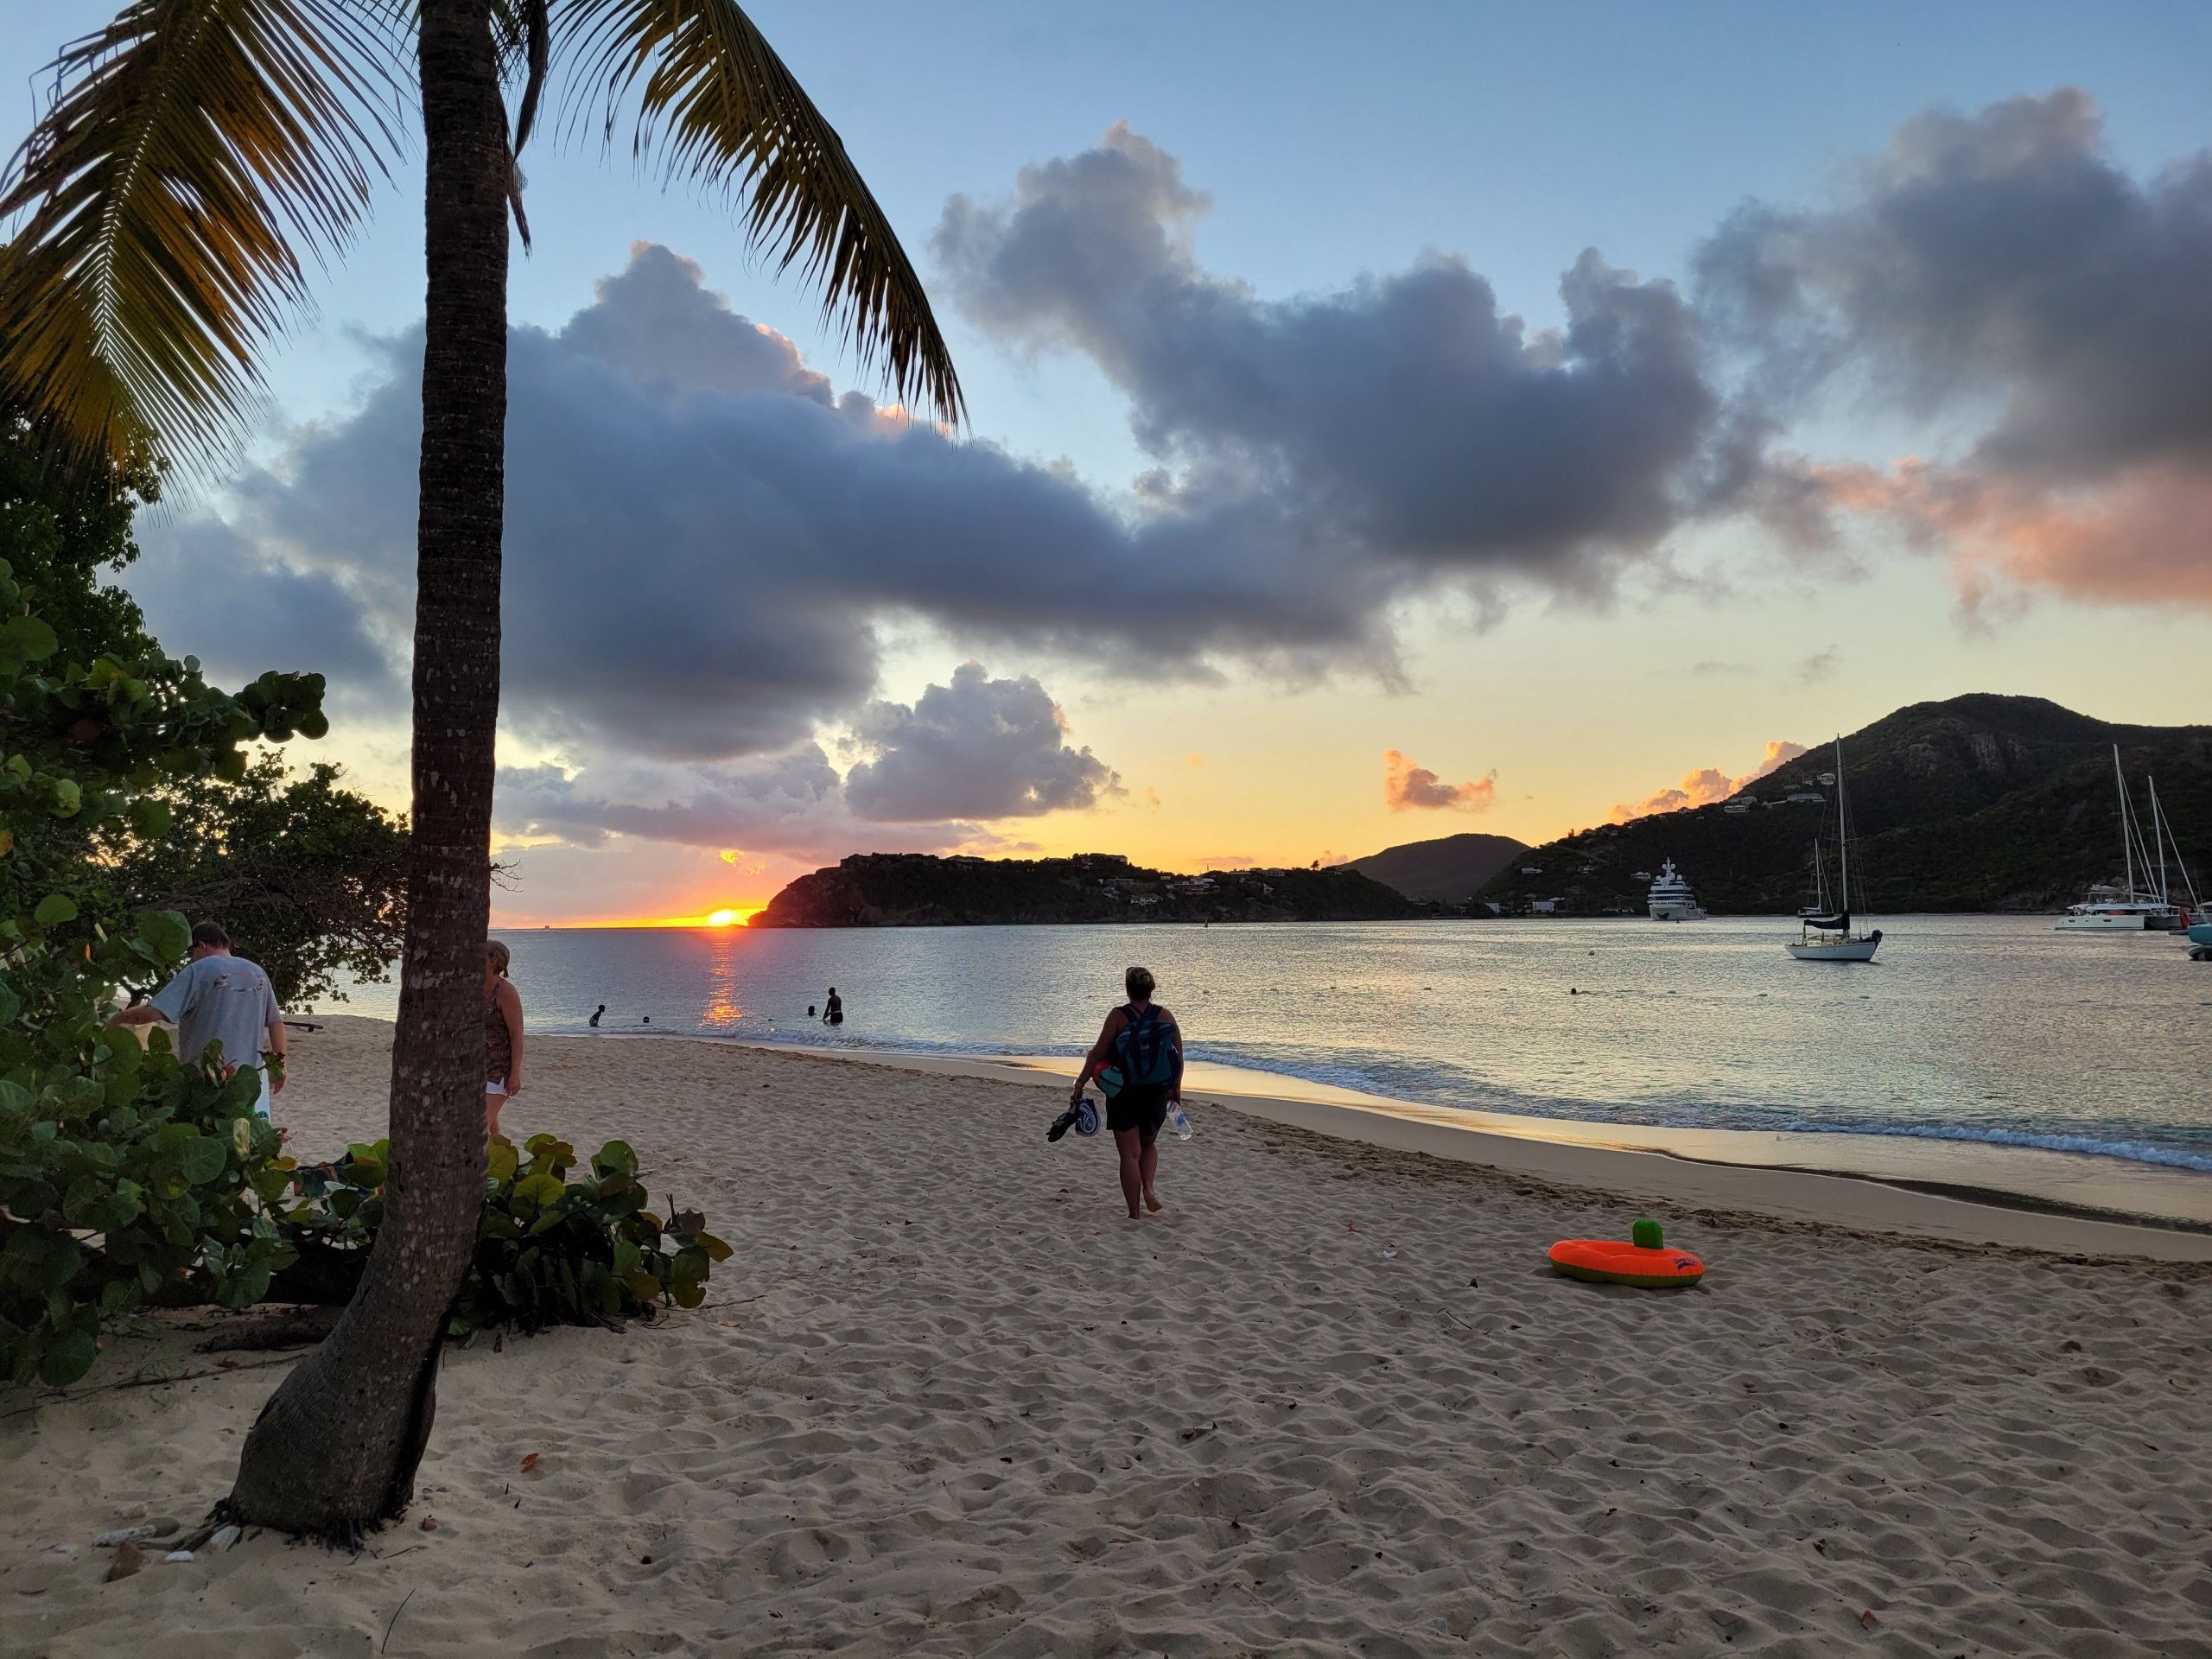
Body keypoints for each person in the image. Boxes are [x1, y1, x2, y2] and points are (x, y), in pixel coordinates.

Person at [108, 921, 287, 1118]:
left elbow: (152, 1014)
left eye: (191, 953)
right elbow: (275, 1023)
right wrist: (280, 1066)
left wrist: (119, 1018)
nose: (191, 960)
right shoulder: (258, 972)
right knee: (240, 1136)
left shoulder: (199, 969)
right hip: (247, 1080)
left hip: (204, 1078)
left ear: (202, 946)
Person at [1070, 965, 1182, 1219]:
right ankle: (1149, 1190)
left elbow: (1097, 1054)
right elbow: (1178, 1054)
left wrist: (1080, 1084)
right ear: (1150, 989)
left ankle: (1134, 1213)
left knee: (1129, 1155)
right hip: (1156, 1091)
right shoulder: (1165, 1016)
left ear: (1127, 989)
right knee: (1149, 1144)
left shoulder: (1118, 1016)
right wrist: (1176, 1088)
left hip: (1125, 1093)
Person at [485, 940, 524, 1137]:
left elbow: (516, 1035)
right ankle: (501, 1165)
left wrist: (514, 1073)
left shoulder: (505, 992)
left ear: (493, 961)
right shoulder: (472, 988)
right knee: (492, 1130)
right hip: (475, 1067)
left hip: (498, 1069)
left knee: (479, 1126)